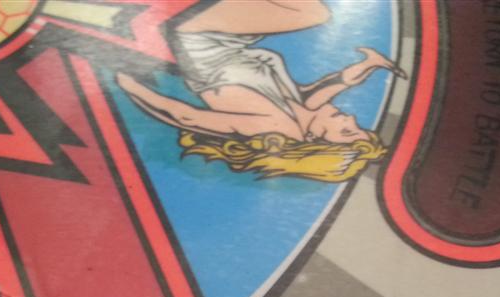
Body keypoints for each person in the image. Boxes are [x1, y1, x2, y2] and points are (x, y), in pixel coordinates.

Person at [116, 0, 403, 182]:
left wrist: (128, 84)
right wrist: (369, 65)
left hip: (197, 38)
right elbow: (333, 85)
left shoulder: (275, 126)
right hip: (227, 38)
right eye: (357, 128)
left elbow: (187, 117)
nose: (351, 119)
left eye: (347, 132)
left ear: (317, 142)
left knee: (312, 12)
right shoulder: (301, 113)